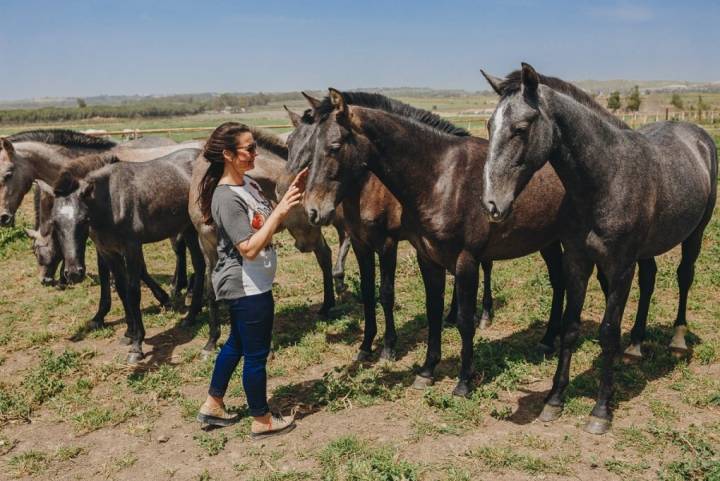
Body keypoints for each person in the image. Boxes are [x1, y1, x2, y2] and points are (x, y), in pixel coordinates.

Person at [195, 122, 307, 439]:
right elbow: (249, 246)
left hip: (255, 281)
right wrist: (281, 210)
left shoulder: (250, 185)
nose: (255, 153)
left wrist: (289, 194)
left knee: (237, 344)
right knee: (256, 354)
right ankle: (262, 419)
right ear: (228, 154)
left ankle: (213, 405)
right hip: (246, 284)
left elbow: (266, 221)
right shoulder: (225, 197)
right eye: (249, 148)